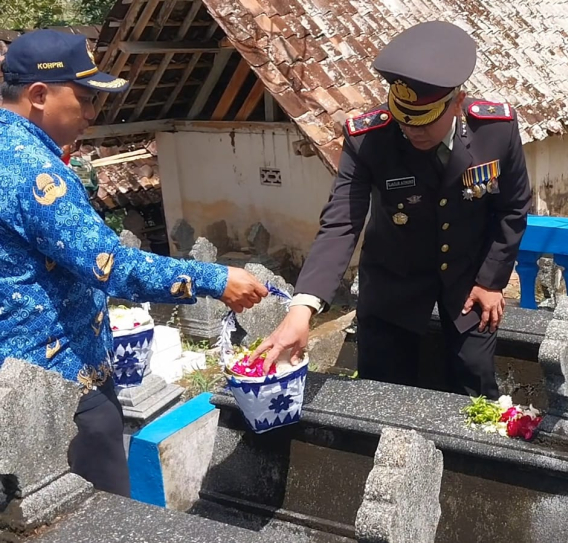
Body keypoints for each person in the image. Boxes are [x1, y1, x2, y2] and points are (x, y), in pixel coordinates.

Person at [0, 30, 269, 497]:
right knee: (100, 515)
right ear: (39, 95)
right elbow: (111, 266)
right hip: (58, 385)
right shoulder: (31, 169)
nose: (92, 114)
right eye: (84, 99)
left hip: (17, 375)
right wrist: (215, 278)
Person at [253, 21, 532, 399]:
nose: (413, 131)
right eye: (404, 119)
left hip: (470, 285)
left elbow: (513, 208)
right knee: (381, 394)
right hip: (392, 286)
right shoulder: (369, 139)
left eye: (425, 120)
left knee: (475, 389)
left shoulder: (495, 130)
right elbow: (341, 222)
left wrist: (491, 280)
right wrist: (303, 308)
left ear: (457, 103)